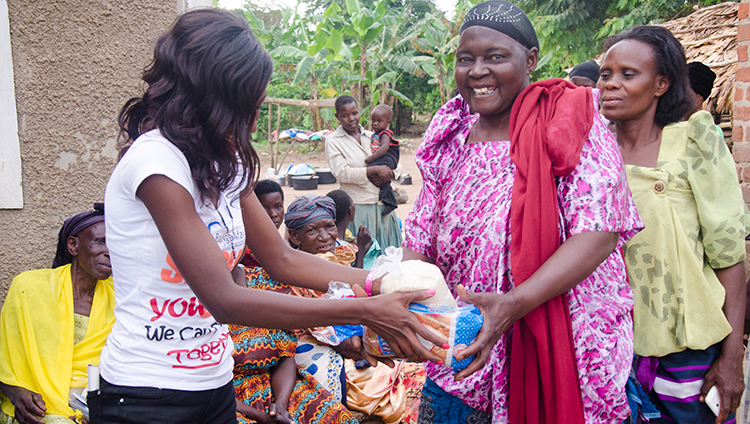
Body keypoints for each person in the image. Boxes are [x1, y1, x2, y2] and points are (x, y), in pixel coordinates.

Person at [92, 9, 442, 424]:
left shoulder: (226, 163)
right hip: (147, 395)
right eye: (246, 107)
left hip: (213, 383)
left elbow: (282, 259)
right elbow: (224, 299)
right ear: (211, 96)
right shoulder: (155, 163)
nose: (252, 121)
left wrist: (377, 282)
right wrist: (364, 310)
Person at [403, 1, 642, 423]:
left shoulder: (569, 118)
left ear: (530, 59)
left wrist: (512, 304)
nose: (477, 71)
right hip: (464, 350)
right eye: (465, 59)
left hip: (563, 344)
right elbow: (421, 238)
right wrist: (400, 302)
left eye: (495, 57)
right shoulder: (451, 130)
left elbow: (600, 230)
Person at [598, 25, 749, 424]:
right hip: (607, 347)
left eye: (628, 74)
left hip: (687, 353)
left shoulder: (693, 142)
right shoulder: (591, 152)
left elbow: (728, 257)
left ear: (661, 83)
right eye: (605, 74)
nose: (611, 84)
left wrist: (733, 359)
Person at [0, 205, 116, 424]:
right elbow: (5, 359)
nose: (110, 251)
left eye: (115, 243)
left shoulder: (121, 298)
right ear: (73, 245)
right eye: (100, 241)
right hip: (36, 405)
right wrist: (16, 394)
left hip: (95, 405)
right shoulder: (28, 288)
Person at [325, 95, 403, 251]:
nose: (351, 118)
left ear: (359, 112)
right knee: (364, 259)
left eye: (354, 113)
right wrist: (372, 171)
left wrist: (390, 173)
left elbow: (395, 163)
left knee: (389, 260)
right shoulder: (333, 141)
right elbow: (341, 173)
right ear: (337, 117)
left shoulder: (373, 136)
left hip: (383, 208)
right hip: (359, 210)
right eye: (345, 115)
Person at [327, 189, 380, 269]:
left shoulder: (326, 242)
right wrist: (361, 247)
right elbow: (355, 275)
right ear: (350, 210)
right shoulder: (342, 249)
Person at [365, 104, 400, 216]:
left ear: (388, 123)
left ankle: (389, 199)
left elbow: (384, 148)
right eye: (373, 120)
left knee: (370, 170)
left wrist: (372, 158)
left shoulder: (385, 133)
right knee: (379, 177)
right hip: (385, 158)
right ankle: (389, 200)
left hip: (389, 157)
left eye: (379, 121)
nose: (375, 123)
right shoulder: (374, 134)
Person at [242, 179, 285, 269]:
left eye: (278, 206)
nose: (273, 214)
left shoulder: (276, 240)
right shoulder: (245, 248)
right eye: (265, 208)